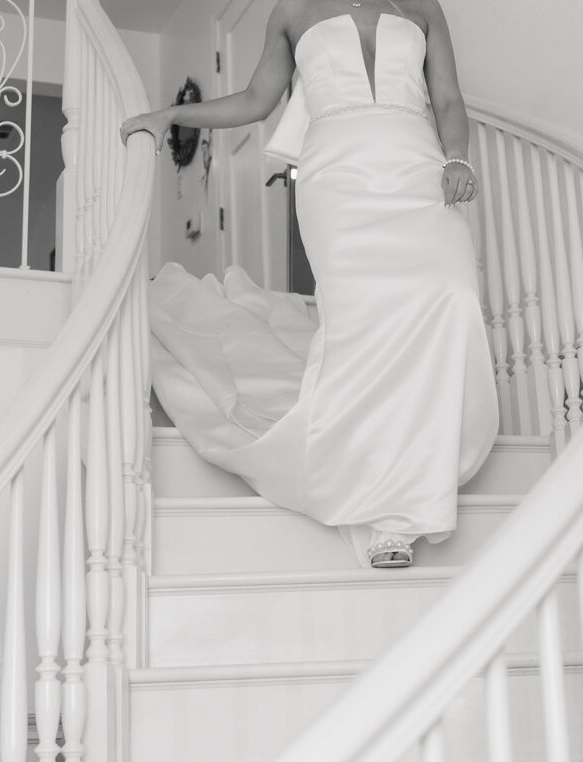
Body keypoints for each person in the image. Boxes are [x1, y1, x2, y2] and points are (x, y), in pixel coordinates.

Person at [120, 0, 499, 569]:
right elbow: (255, 100)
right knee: (361, 324)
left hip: (418, 166)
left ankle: (424, 463)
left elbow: (446, 97)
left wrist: (459, 159)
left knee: (454, 295)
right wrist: (173, 116)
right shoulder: (292, 10)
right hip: (337, 176)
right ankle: (392, 512)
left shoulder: (421, 6)